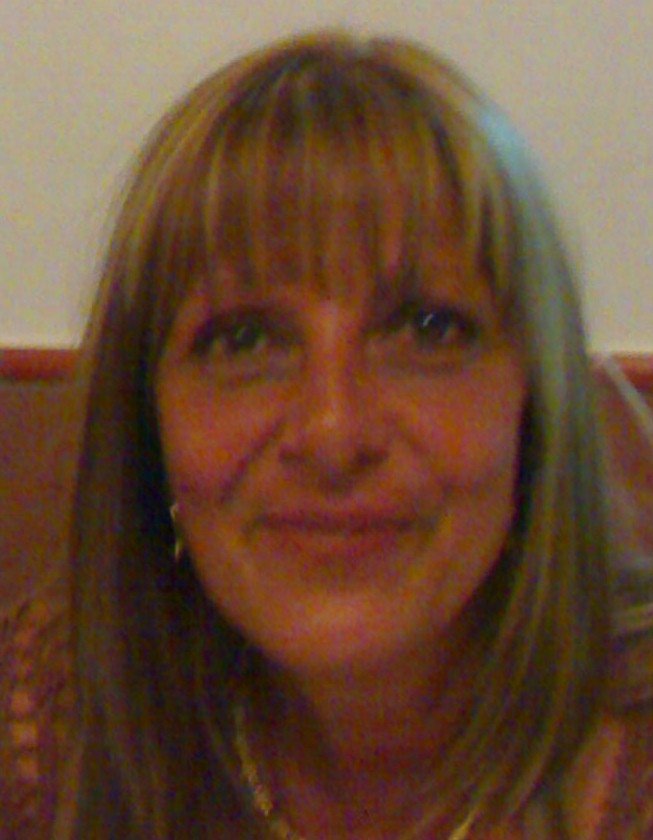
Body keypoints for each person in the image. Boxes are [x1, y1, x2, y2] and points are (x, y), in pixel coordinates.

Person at [2, 29, 653, 839]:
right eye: (244, 341)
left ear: (535, 406)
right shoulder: (46, 725)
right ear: (146, 428)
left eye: (426, 330)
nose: (333, 434)